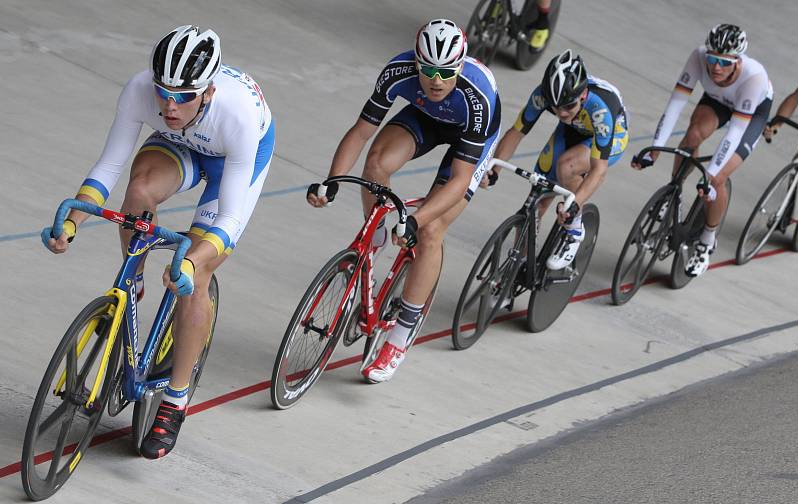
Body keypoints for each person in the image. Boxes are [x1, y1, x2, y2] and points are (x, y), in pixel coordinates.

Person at [42, 25, 275, 458]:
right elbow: (108, 166)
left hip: (234, 160)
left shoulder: (237, 114)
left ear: (207, 93)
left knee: (194, 274)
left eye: (184, 95)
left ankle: (176, 399)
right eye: (163, 91)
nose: (169, 104)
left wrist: (191, 262)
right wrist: (72, 222)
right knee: (139, 190)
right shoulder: (139, 92)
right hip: (179, 144)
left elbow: (230, 215)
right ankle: (134, 279)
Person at [306, 19, 501, 383]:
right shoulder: (397, 71)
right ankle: (376, 236)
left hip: (470, 139)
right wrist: (332, 180)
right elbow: (361, 132)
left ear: (459, 66)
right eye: (428, 70)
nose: (436, 80)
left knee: (431, 230)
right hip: (425, 118)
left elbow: (459, 181)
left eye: (446, 72)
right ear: (416, 62)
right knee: (377, 162)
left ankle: (400, 335)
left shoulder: (479, 96)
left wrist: (415, 218)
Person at [633, 24, 773, 277]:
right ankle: (673, 193)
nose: (716, 67)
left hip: (750, 114)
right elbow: (675, 104)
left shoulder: (755, 78)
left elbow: (734, 134)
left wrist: (711, 173)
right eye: (712, 59)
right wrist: (654, 150)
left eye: (723, 62)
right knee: (692, 136)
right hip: (717, 100)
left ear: (737, 62)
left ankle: (708, 241)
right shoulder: (698, 56)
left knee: (717, 178)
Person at [488, 49, 628, 270]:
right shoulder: (543, 96)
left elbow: (598, 171)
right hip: (572, 131)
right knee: (536, 200)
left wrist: (574, 206)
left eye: (568, 106)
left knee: (567, 165)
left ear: (582, 95)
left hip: (609, 136)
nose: (561, 113)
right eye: (555, 108)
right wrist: (493, 169)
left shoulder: (601, 108)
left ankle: (574, 230)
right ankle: (513, 272)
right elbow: (515, 133)